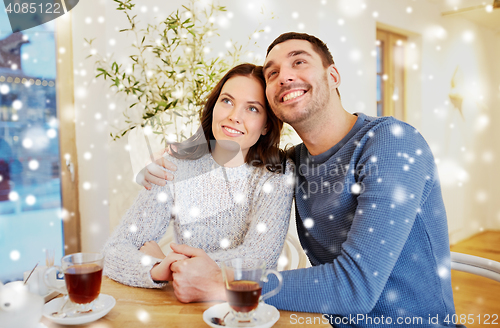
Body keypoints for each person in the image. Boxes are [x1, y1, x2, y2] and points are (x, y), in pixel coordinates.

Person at [140, 33, 462, 327]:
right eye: (272, 73)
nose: (285, 76)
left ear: (333, 76)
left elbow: (355, 288)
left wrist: (223, 282)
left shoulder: (391, 143)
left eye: (299, 61)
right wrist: (170, 165)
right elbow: (233, 165)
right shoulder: (292, 163)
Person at [102, 63, 294, 290]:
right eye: (227, 101)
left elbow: (258, 260)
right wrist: (156, 269)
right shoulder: (174, 166)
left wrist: (175, 265)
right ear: (214, 107)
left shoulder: (277, 175)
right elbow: (115, 249)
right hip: (182, 308)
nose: (234, 116)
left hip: (244, 307)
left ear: (266, 126)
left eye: (252, 109)